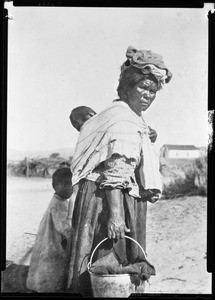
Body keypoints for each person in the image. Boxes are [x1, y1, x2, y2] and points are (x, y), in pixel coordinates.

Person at [67, 46, 172, 296]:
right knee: (109, 261)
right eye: (142, 88)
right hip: (108, 199)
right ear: (127, 86)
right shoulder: (123, 118)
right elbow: (115, 171)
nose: (147, 95)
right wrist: (115, 215)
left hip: (111, 195)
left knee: (106, 265)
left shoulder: (128, 115)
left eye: (152, 91)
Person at [26, 168, 73, 293]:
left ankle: (38, 286)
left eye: (71, 184)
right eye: (65, 184)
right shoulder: (59, 204)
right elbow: (63, 228)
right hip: (53, 242)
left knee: (43, 265)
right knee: (52, 267)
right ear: (54, 186)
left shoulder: (58, 201)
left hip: (47, 240)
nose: (69, 188)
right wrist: (74, 234)